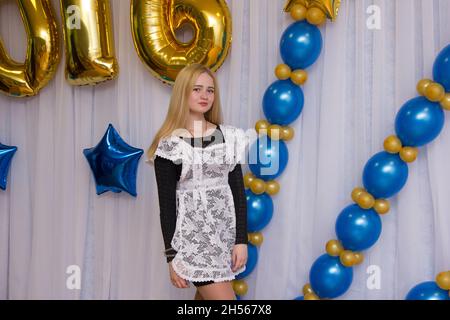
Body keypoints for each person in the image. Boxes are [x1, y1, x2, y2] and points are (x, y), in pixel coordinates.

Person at [147, 63, 249, 300]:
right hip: (194, 242)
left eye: (210, 90)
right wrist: (172, 257)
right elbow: (167, 208)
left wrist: (240, 241)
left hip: (225, 238)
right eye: (197, 89)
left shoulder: (229, 137)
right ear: (183, 92)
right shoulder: (170, 145)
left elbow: (237, 193)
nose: (205, 96)